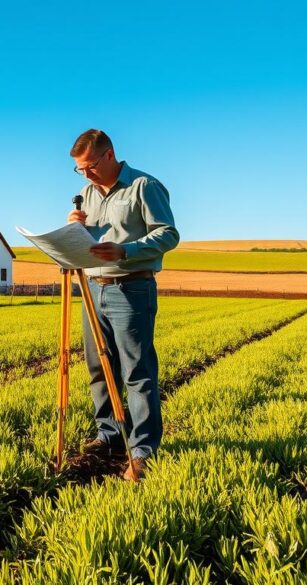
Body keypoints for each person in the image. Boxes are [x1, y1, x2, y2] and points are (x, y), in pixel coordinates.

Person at [66, 129, 179, 481]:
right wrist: (74, 230)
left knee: (137, 371)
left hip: (131, 288)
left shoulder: (144, 186)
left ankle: (143, 449)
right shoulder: (86, 194)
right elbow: (89, 240)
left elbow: (169, 234)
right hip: (92, 289)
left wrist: (125, 250)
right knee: (99, 367)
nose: (85, 174)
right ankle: (110, 435)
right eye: (79, 169)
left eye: (90, 166)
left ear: (109, 155)